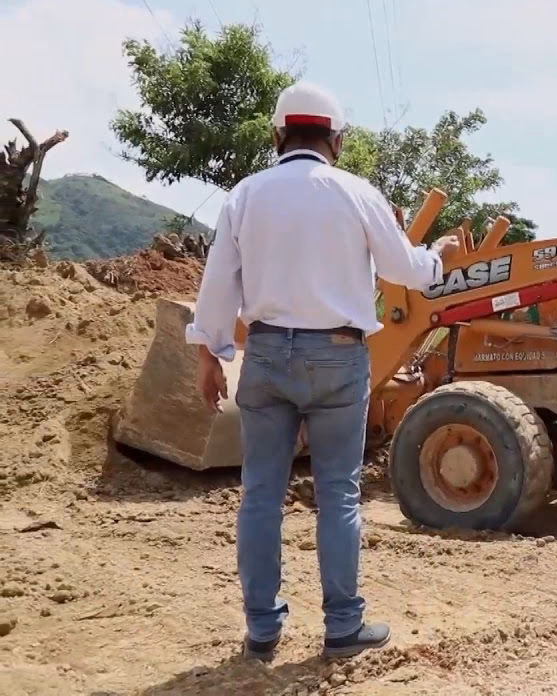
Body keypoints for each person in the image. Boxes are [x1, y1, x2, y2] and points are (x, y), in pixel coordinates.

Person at [185, 81, 459, 662]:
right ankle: (342, 627)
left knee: (260, 493)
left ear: (277, 134)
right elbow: (407, 271)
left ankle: (262, 629)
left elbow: (216, 287)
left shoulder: (245, 195)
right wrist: (441, 255)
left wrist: (208, 355)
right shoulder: (357, 194)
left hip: (263, 355)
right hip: (339, 356)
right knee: (338, 494)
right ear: (337, 138)